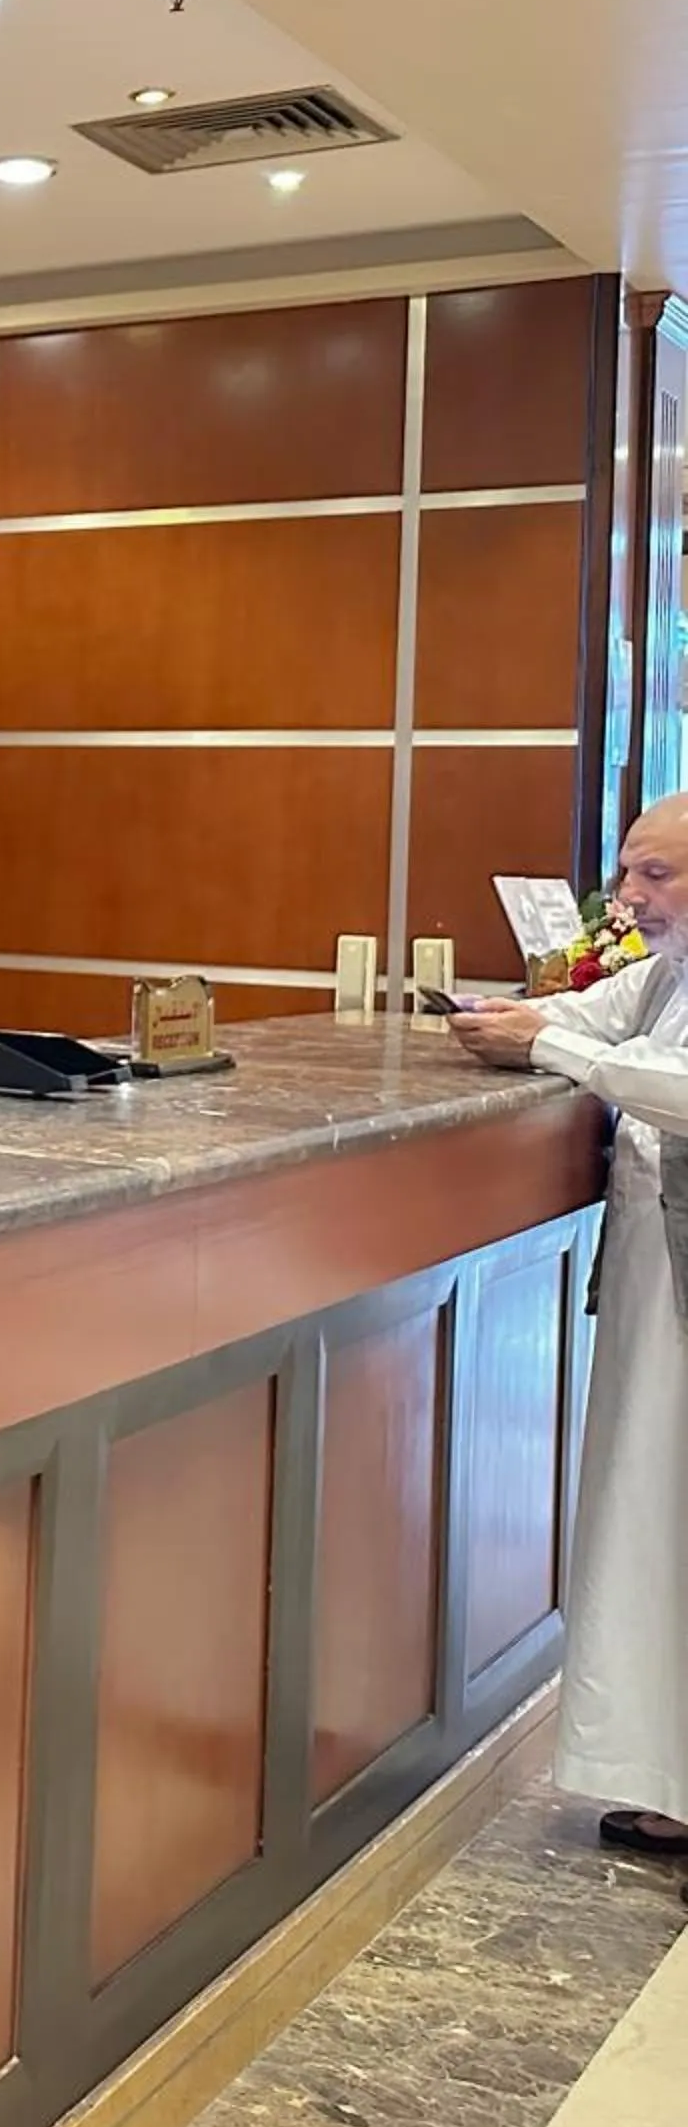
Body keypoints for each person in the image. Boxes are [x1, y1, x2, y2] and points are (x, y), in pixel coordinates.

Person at [450, 790, 688, 1899]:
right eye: (628, 874)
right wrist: (527, 1027)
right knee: (652, 1513)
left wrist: (558, 1044)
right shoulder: (673, 966)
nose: (630, 900)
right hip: (660, 1277)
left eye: (656, 878)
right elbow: (603, 1022)